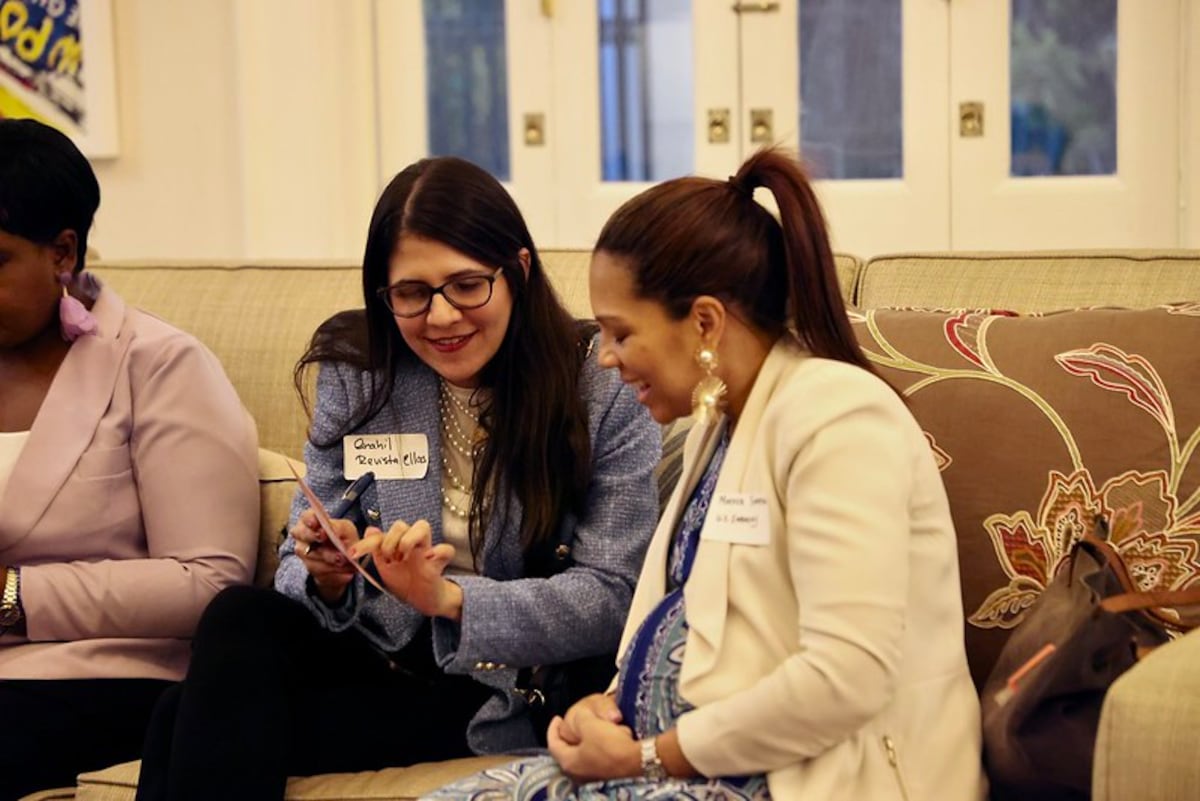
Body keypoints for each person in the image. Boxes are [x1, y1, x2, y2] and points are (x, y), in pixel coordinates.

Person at [426, 149, 986, 800]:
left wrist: (649, 754)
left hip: (812, 780)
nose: (605, 358)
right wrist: (605, 707)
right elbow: (686, 615)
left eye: (620, 332)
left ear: (704, 322)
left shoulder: (840, 419)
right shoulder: (722, 425)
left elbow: (847, 676)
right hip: (692, 768)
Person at [134, 156, 662, 801]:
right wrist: (326, 574)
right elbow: (301, 553)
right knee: (241, 614)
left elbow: (615, 595)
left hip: (496, 679)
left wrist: (447, 599)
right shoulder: (362, 369)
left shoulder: (599, 385)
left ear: (518, 271)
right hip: (368, 650)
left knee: (176, 721)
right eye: (412, 293)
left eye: (467, 285)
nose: (440, 318)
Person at [0, 119, 260, 799]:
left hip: (101, 679)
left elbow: (210, 582)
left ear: (62, 252)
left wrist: (12, 597)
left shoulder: (160, 364)